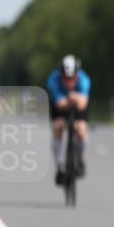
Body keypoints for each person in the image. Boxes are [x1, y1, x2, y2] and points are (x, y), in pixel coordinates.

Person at [47, 55, 91, 184]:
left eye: (72, 78)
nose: (69, 81)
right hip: (60, 107)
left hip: (78, 107)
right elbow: (60, 104)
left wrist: (72, 98)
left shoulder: (84, 79)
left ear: (77, 74)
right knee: (58, 127)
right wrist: (73, 97)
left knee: (81, 129)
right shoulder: (53, 80)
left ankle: (80, 158)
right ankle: (60, 166)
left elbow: (83, 104)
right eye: (66, 78)